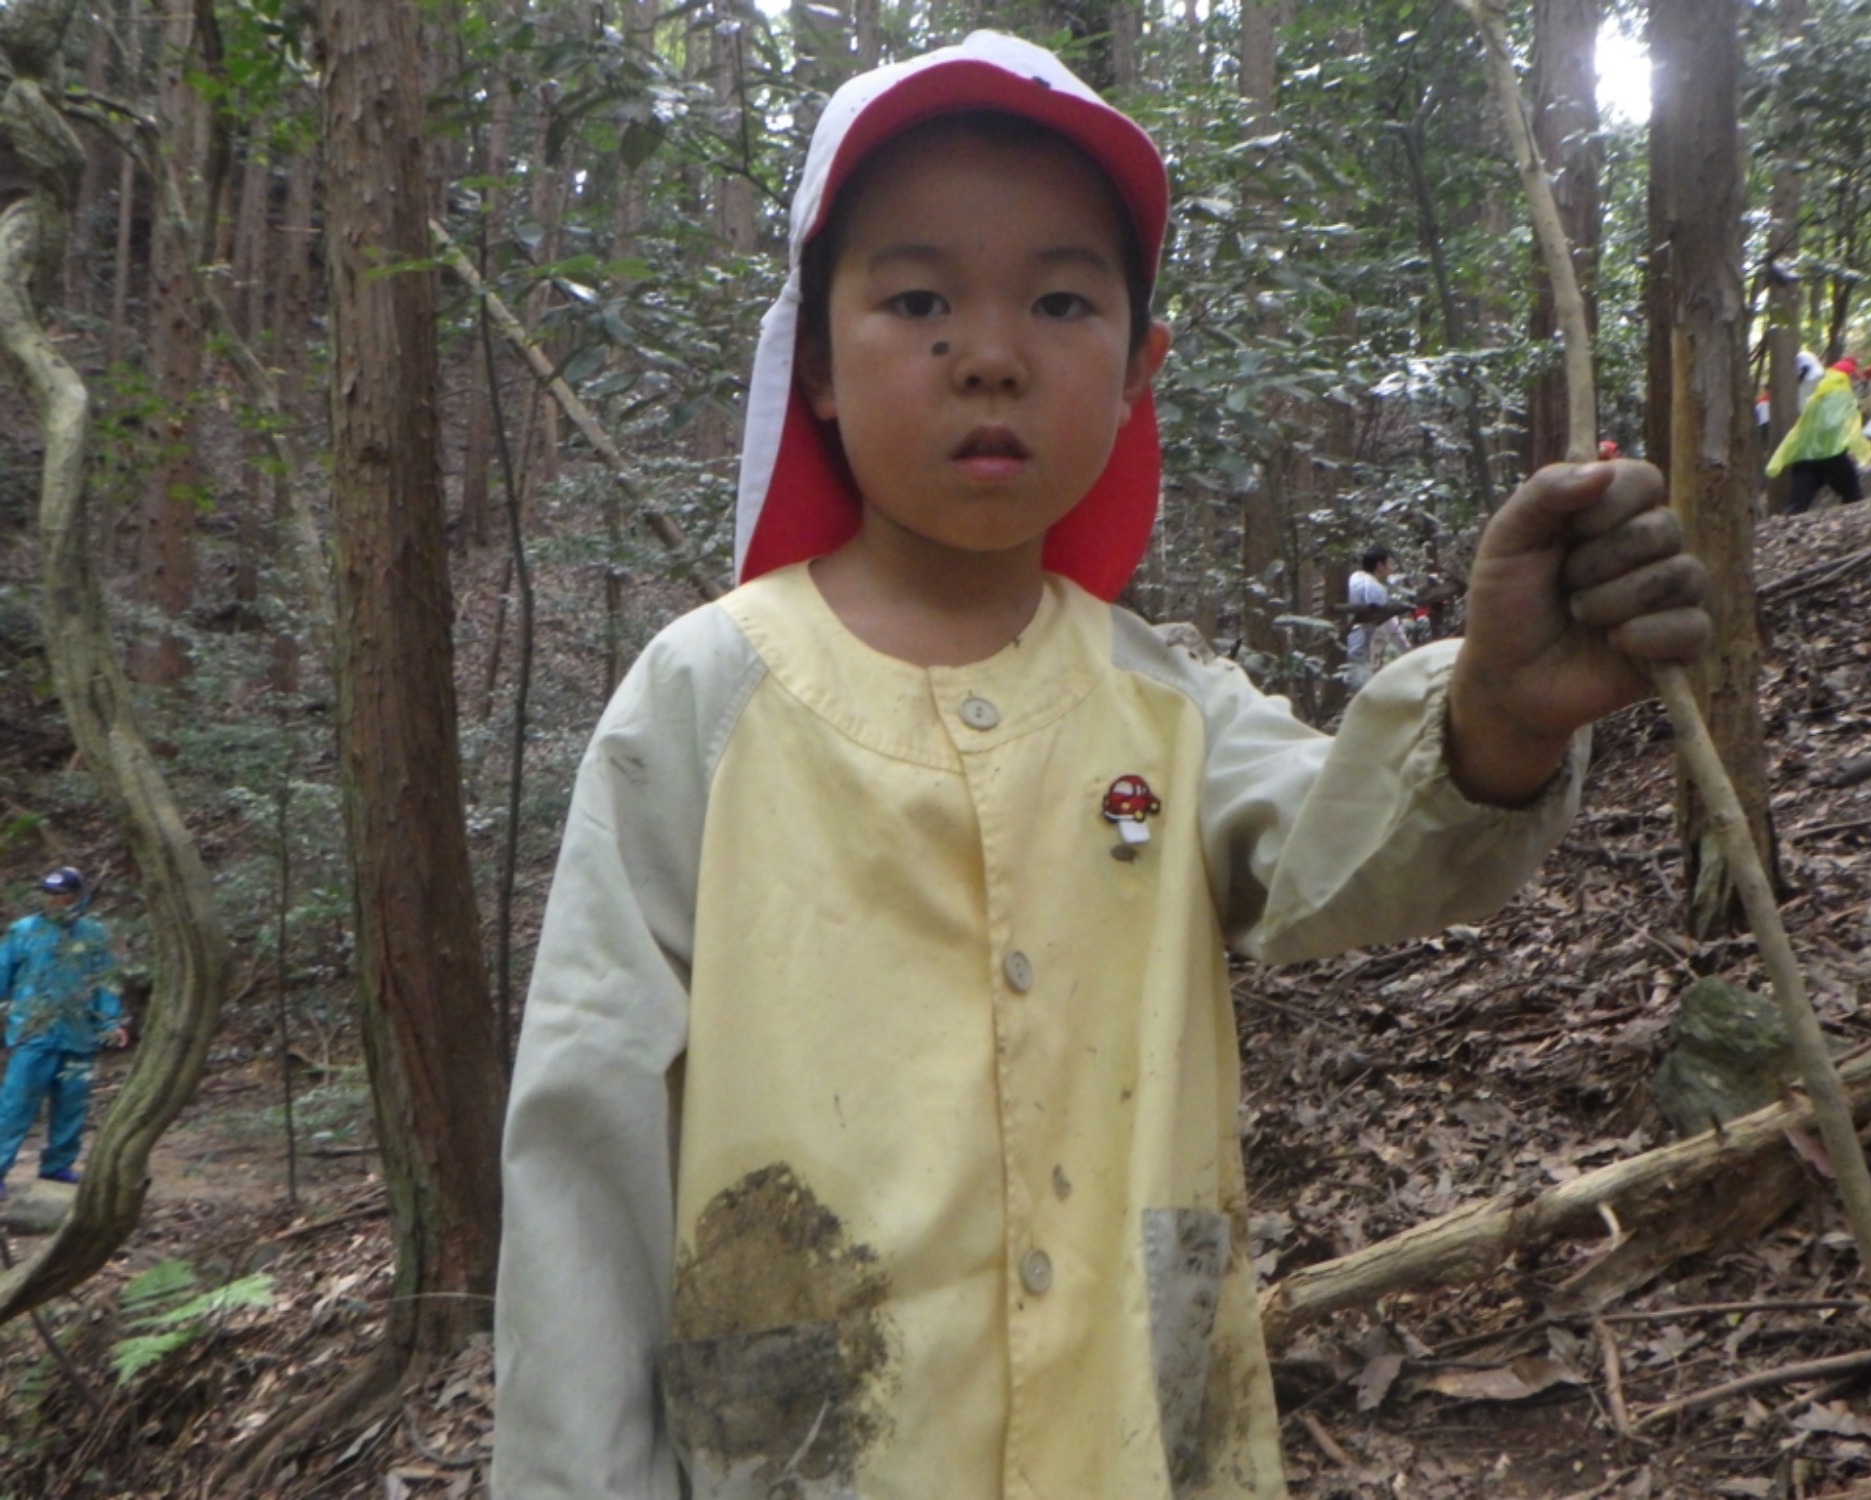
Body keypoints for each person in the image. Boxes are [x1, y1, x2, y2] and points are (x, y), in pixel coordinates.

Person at [492, 31, 1710, 1499]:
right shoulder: (704, 702)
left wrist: (1499, 712)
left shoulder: (1165, 705)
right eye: (918, 299)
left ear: (1139, 370)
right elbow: (587, 1145)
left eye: (1061, 301)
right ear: (812, 359)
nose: (989, 354)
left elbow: (1339, 845)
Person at [0, 866, 126, 1197]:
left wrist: (110, 1022)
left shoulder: (93, 934)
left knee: (72, 1104)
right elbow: (2, 974)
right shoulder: (23, 931)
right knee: (15, 1104)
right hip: (32, 1034)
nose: (54, 901)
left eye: (61, 895)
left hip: (78, 1035)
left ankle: (58, 1164)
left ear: (77, 896)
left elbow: (104, 981)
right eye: (49, 894)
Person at [1768, 356, 1871, 515]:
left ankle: (1783, 526)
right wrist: (1867, 454)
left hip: (1805, 456)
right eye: (1853, 377)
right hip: (1832, 456)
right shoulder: (1841, 397)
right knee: (1854, 498)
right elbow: (1848, 430)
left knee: (1796, 505)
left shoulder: (1816, 395)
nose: (1855, 382)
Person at [1344, 542, 1403, 688]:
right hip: (1357, 648)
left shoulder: (1354, 578)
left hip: (1346, 643)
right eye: (1389, 563)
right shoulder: (1374, 587)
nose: (1392, 567)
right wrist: (1405, 646)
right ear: (1380, 565)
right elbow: (1387, 620)